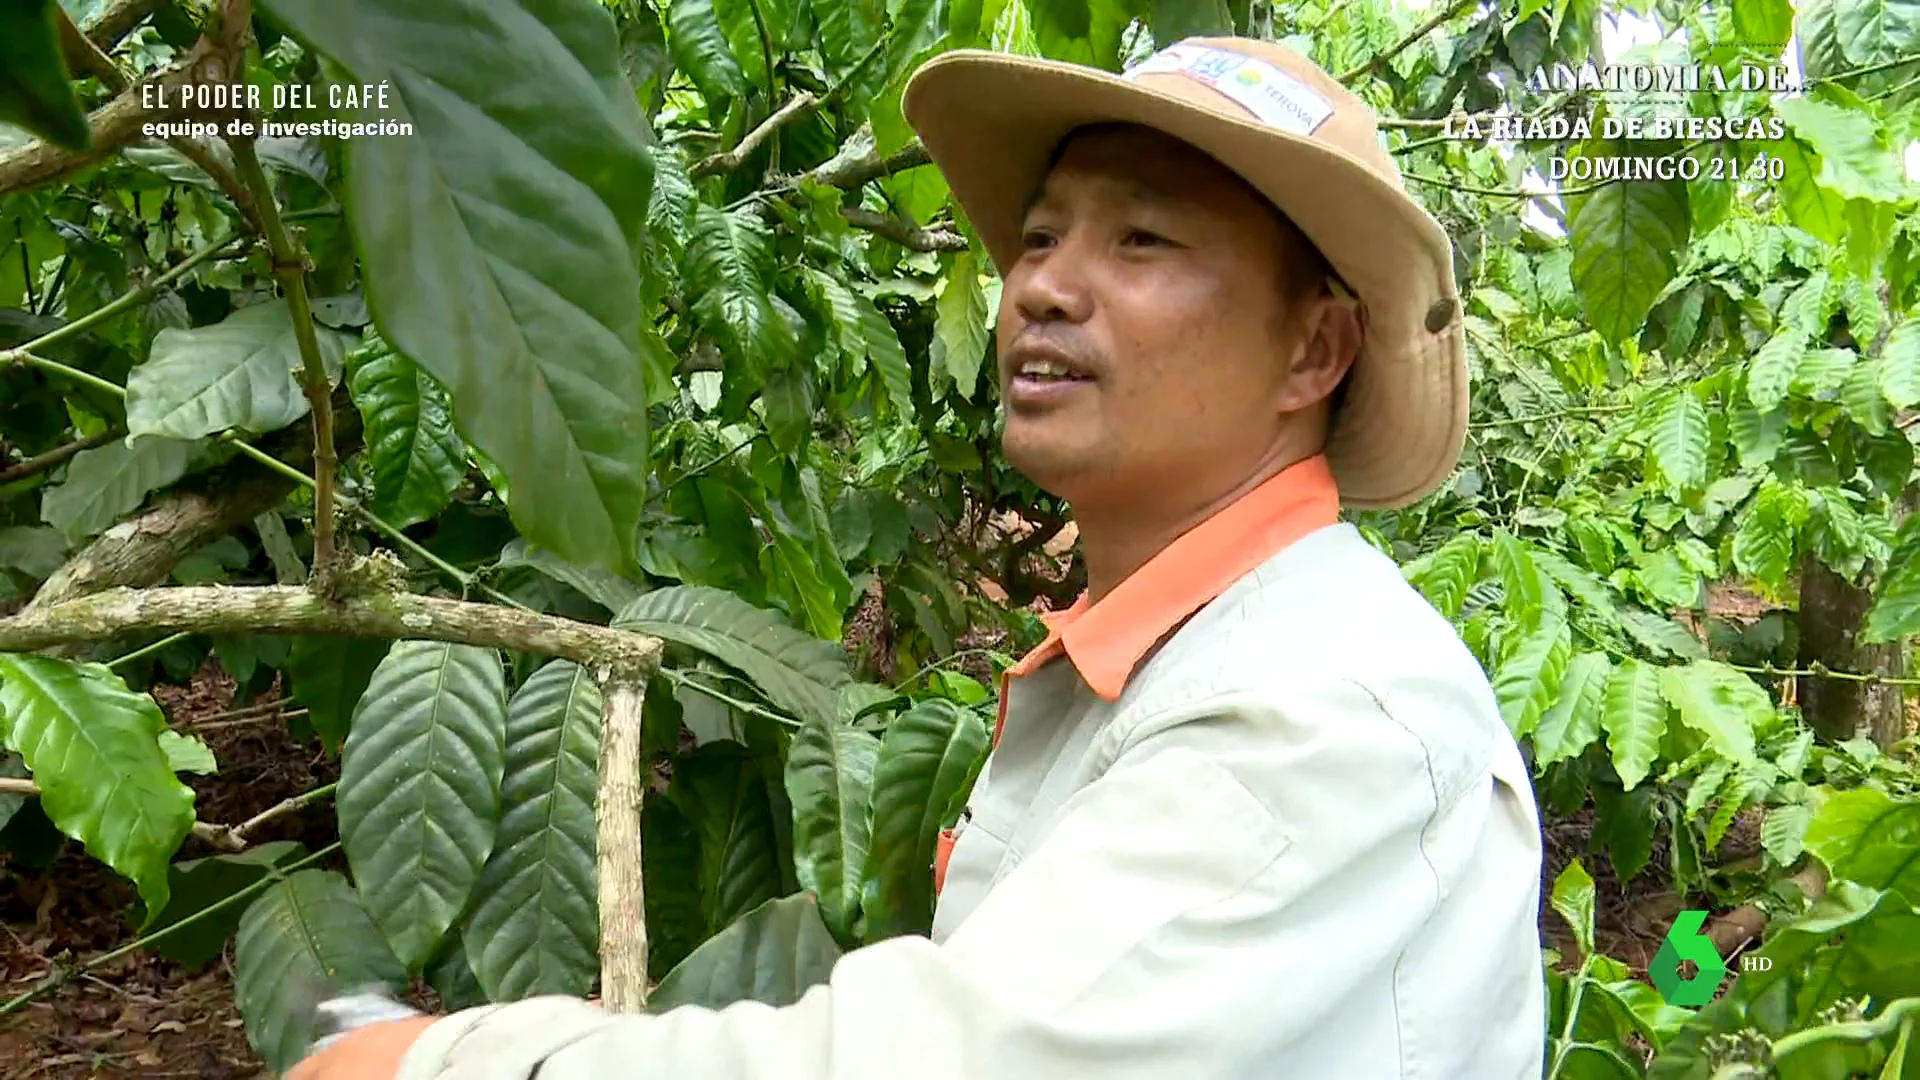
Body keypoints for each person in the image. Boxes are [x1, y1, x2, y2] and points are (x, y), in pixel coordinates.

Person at [292, 34, 1546, 1080]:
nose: (1046, 287)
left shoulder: (1323, 713)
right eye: (1041, 238)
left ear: (1314, 352)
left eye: (1143, 242)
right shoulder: (1193, 651)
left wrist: (431, 1063)